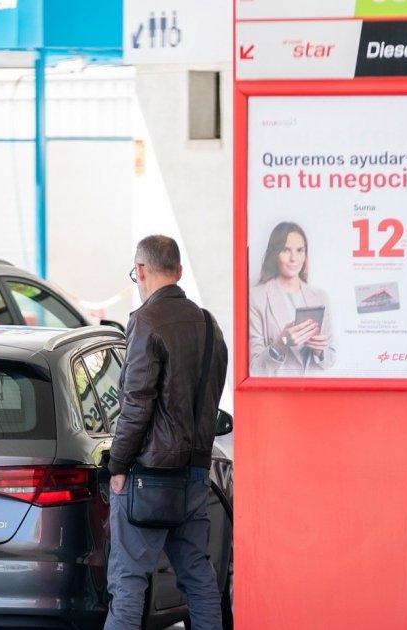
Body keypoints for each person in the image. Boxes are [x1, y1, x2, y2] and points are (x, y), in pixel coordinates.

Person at [106, 235, 229, 630]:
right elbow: (209, 397)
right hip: (194, 476)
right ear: (178, 271)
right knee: (198, 576)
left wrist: (118, 464)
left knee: (127, 581)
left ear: (141, 270)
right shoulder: (210, 325)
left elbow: (136, 403)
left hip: (149, 478)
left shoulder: (145, 322)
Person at [249, 221, 336, 376]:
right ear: (275, 254)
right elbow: (255, 368)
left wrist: (320, 351)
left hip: (313, 393)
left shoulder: (320, 297)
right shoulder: (257, 298)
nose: (294, 258)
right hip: (278, 394)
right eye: (286, 250)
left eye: (300, 250)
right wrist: (280, 343)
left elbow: (330, 360)